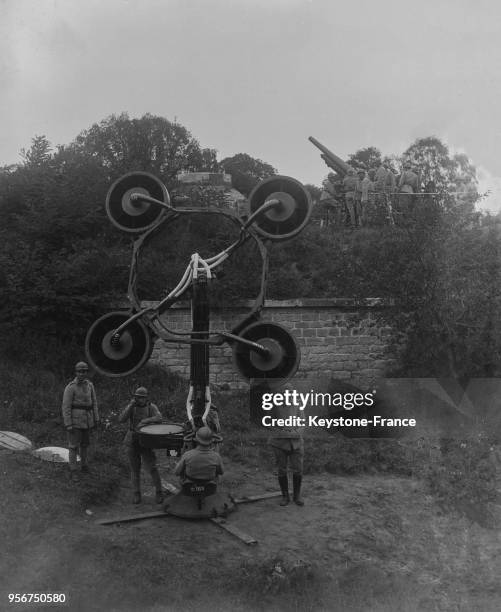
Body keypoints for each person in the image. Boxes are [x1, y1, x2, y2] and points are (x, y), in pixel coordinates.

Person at [119, 387, 163, 505]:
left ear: (146, 397)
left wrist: (146, 420)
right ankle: (136, 493)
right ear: (135, 397)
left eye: (142, 397)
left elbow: (159, 417)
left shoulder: (151, 407)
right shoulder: (132, 407)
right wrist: (130, 406)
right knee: (135, 469)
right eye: (138, 397)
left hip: (146, 439)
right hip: (132, 439)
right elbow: (121, 419)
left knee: (152, 467)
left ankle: (159, 492)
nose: (140, 399)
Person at [61, 361, 99, 477]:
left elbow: (94, 403)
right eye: (80, 371)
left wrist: (96, 418)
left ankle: (84, 465)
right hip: (75, 421)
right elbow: (66, 406)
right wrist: (68, 424)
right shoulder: (71, 387)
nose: (82, 374)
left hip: (87, 421)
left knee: (85, 445)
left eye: (84, 371)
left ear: (87, 372)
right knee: (73, 446)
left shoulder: (90, 385)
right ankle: (73, 470)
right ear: (76, 372)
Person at [269, 425, 304, 506]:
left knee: (298, 468)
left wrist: (295, 432)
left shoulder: (299, 411)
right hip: (279, 443)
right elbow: (269, 423)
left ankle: (297, 496)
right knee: (281, 469)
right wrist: (284, 432)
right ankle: (285, 496)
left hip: (296, 442)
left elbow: (303, 423)